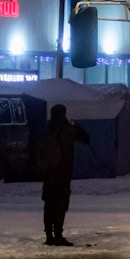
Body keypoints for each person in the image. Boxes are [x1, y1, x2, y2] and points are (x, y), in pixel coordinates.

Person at [39, 103, 91, 246]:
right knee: (61, 205)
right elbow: (86, 139)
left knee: (49, 205)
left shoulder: (48, 129)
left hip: (49, 175)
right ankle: (58, 235)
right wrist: (76, 126)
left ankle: (49, 236)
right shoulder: (68, 128)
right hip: (63, 174)